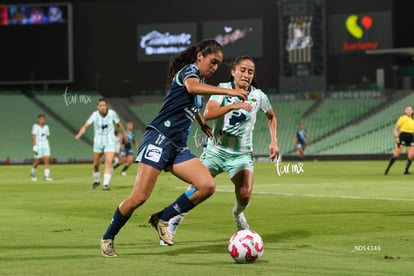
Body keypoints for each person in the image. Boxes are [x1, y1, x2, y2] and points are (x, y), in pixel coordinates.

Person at [100, 39, 248, 258]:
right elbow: (191, 87)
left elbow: (192, 102)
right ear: (200, 57)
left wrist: (201, 122)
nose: (215, 67)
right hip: (159, 139)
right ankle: (108, 238)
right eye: (213, 61)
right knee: (139, 197)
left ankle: (163, 217)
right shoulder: (189, 72)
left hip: (177, 147)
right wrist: (231, 94)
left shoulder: (199, 82)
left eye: (218, 64)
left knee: (206, 185)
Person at [160, 55, 279, 245]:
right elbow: (208, 113)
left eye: (250, 72)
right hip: (216, 151)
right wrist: (235, 103)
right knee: (197, 188)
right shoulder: (222, 89)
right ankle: (173, 221)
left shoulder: (259, 96)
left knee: (245, 193)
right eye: (242, 70)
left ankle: (238, 213)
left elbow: (272, 117)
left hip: (241, 154)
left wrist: (274, 141)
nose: (246, 75)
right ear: (233, 72)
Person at [75, 98, 127, 190]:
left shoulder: (112, 114)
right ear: (97, 106)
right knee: (96, 164)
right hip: (98, 142)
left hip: (109, 142)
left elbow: (119, 125)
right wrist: (79, 134)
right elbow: (86, 125)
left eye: (104, 105)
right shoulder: (94, 115)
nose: (102, 107)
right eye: (100, 106)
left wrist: (124, 135)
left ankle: (105, 185)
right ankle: (96, 181)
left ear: (107, 106)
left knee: (109, 162)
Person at [384, 105, 414, 175]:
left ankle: (406, 170)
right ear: (405, 111)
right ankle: (387, 169)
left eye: (410, 110)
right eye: (408, 110)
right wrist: (396, 137)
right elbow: (395, 129)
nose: (409, 111)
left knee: (411, 155)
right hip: (403, 136)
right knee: (397, 154)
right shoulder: (402, 118)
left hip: (411, 136)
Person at [30, 114, 53, 181]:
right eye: (41, 119)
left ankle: (46, 176)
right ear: (39, 120)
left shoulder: (46, 127)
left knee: (47, 159)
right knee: (37, 161)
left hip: (45, 145)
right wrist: (34, 146)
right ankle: (33, 173)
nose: (43, 120)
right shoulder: (35, 126)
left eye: (43, 119)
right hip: (38, 145)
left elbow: (47, 137)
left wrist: (49, 146)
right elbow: (34, 137)